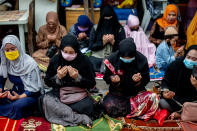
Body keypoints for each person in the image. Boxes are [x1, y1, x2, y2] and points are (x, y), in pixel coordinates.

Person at [42, 34, 96, 127]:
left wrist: (77, 78)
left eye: (71, 52)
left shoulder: (84, 60)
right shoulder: (55, 60)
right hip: (59, 94)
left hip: (78, 95)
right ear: (61, 50)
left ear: (77, 51)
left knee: (88, 106)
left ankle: (65, 113)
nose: (67, 55)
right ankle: (79, 118)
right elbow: (47, 81)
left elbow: (92, 83)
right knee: (44, 100)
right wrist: (58, 77)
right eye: (65, 51)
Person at [103, 38, 159, 119]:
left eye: (130, 58)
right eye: (124, 58)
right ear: (120, 54)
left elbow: (147, 79)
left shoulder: (142, 60)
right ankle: (135, 112)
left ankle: (129, 111)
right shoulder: (112, 59)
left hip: (136, 94)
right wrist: (113, 79)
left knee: (154, 98)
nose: (127, 61)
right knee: (108, 106)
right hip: (118, 94)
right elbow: (106, 78)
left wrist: (139, 81)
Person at [0, 35, 42, 119]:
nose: (10, 52)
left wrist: (19, 97)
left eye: (13, 49)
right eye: (7, 50)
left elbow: (34, 90)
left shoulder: (30, 64)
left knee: (19, 105)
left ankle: (22, 110)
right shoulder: (7, 63)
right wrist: (0, 91)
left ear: (18, 48)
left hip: (30, 96)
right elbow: (1, 79)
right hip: (15, 92)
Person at [160, 45, 197, 119]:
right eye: (188, 57)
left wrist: (196, 86)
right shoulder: (176, 64)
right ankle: (186, 113)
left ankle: (182, 114)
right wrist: (165, 92)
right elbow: (166, 81)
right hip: (176, 99)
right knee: (163, 103)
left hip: (194, 102)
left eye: (194, 59)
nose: (190, 60)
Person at [89, 6, 125, 72]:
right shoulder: (95, 28)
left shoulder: (119, 29)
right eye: (106, 18)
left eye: (110, 17)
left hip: (113, 58)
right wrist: (102, 43)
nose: (108, 20)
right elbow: (91, 46)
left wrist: (113, 42)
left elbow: (124, 48)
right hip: (97, 58)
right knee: (91, 65)